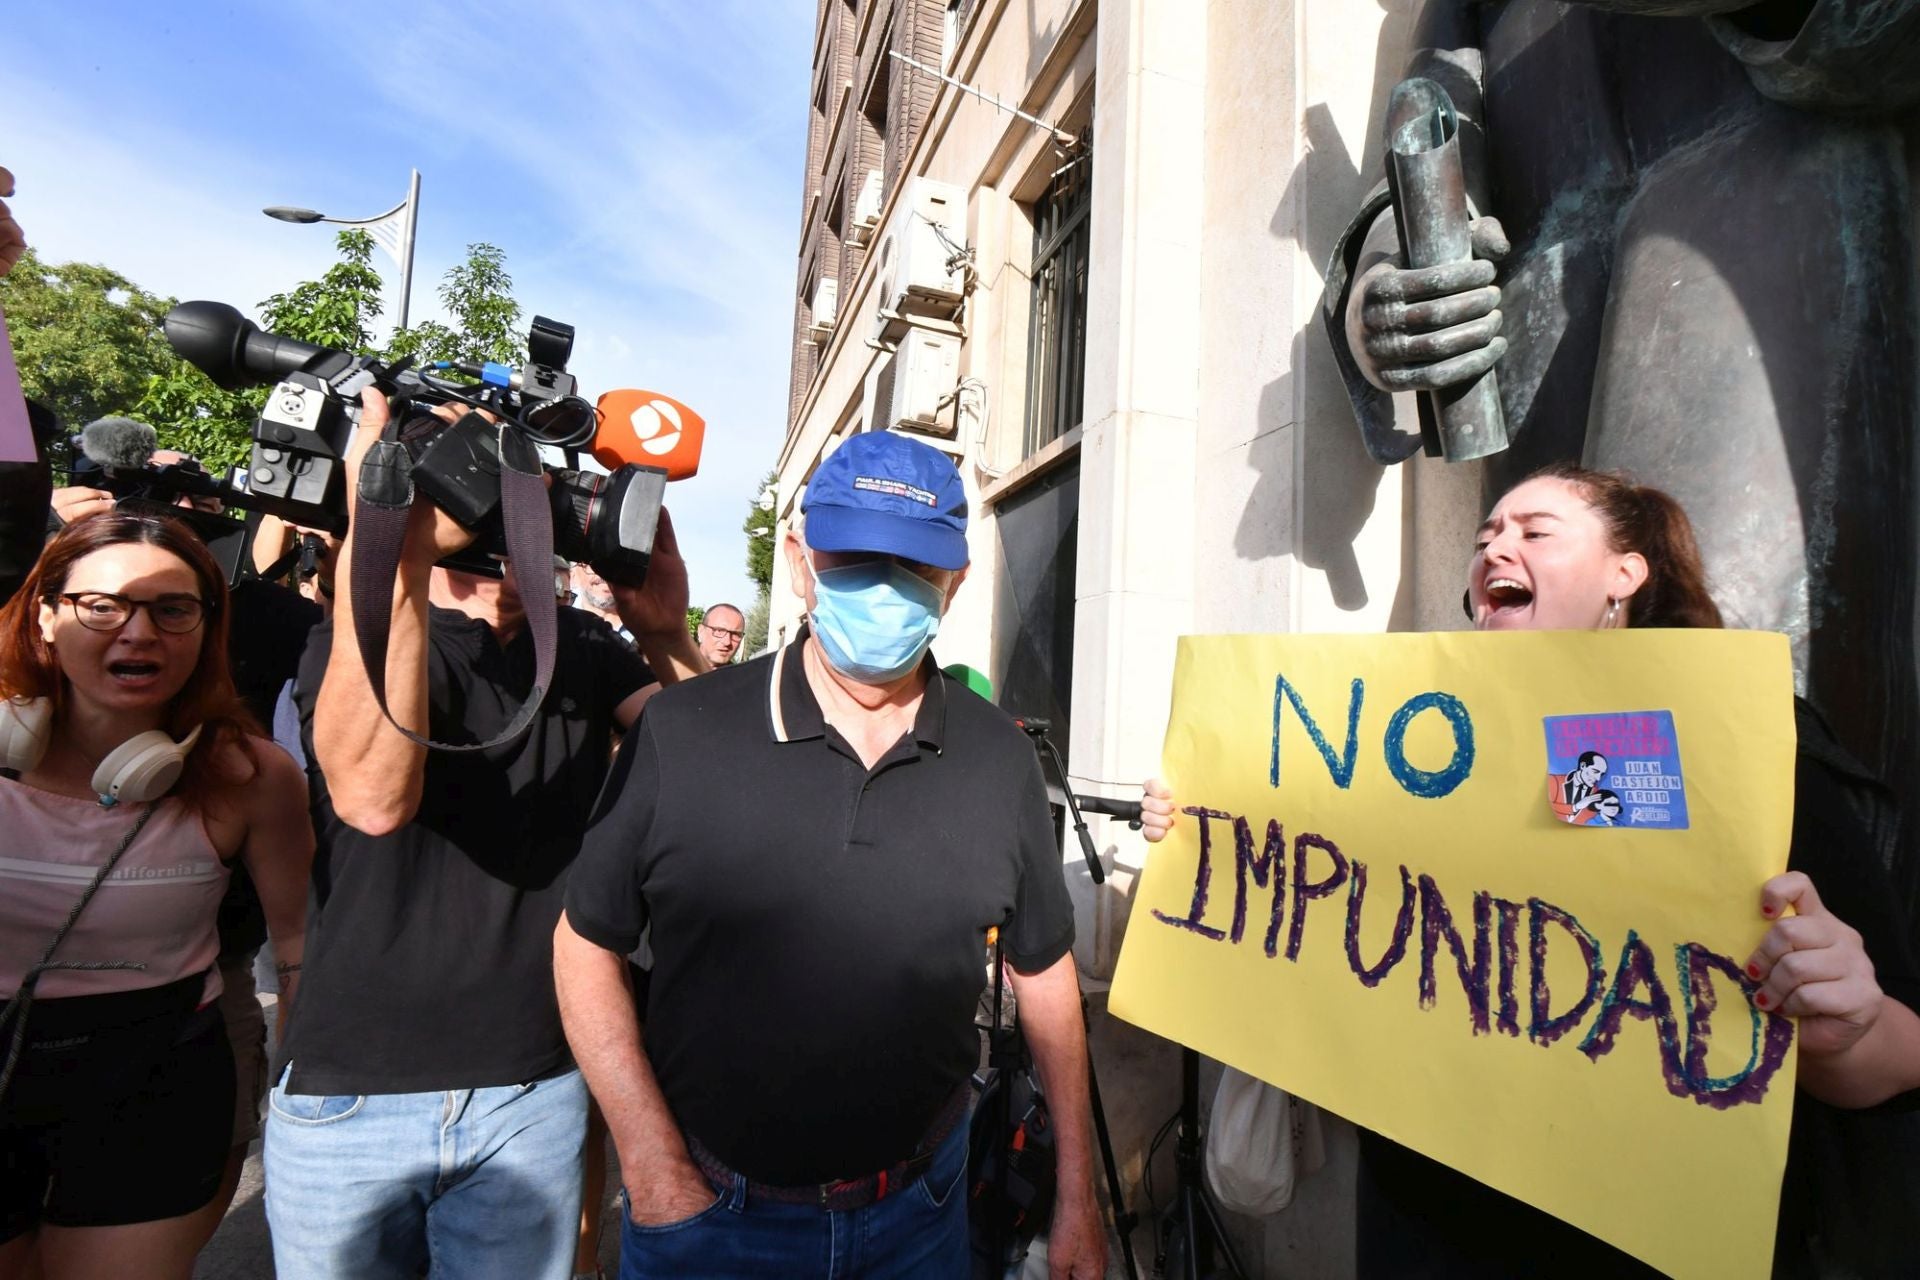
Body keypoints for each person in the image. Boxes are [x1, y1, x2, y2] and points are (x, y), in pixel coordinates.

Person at [1142, 460, 1920, 1275]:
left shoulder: (1746, 750)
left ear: (1627, 573)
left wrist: (1848, 1027)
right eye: (1485, 538)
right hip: (1425, 1228)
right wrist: (1203, 831)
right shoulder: (1415, 754)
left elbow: (1900, 1054)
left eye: (1535, 532)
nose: (1493, 551)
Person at [553, 431, 1107, 1280]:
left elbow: (1044, 975)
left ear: (954, 583)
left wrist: (1080, 1195)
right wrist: (651, 1164)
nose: (885, 587)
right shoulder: (687, 730)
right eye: (856, 556)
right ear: (802, 559)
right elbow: (584, 943)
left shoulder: (1001, 761)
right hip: (710, 1222)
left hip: (923, 1218)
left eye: (914, 567)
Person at [263, 390, 705, 1280]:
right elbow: (376, 798)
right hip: (352, 1093)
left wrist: (664, 632)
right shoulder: (355, 640)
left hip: (533, 1085)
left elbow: (713, 773)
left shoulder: (580, 643)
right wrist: (397, 541)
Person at [0, 512, 312, 1280]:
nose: (138, 633)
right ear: (45, 614)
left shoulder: (253, 774)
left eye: (173, 610)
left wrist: (303, 1096)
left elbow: (300, 943)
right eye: (102, 606)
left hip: (156, 1079)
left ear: (208, 629)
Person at [694, 601, 746, 666]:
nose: (727, 642)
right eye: (719, 631)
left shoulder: (744, 675)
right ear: (701, 632)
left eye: (735, 634)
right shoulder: (679, 671)